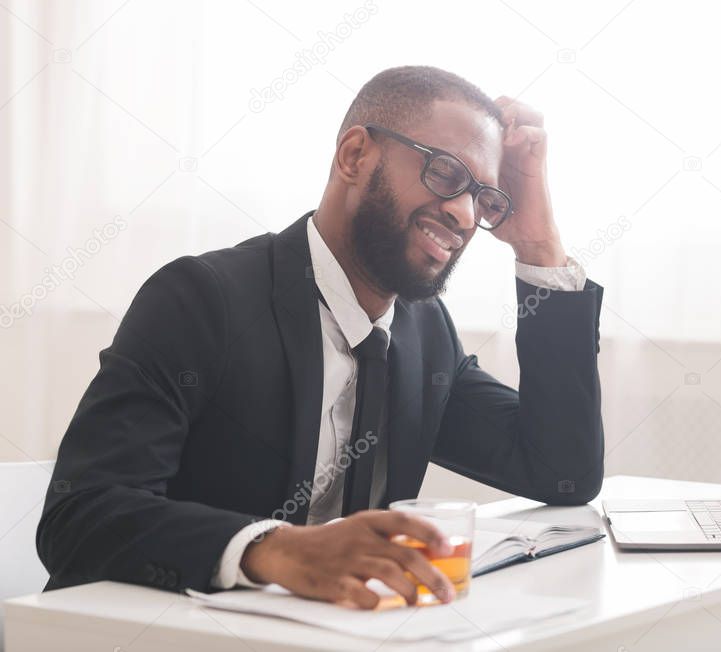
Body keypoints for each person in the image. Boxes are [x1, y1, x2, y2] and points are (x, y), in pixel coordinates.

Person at [37, 66, 604, 609]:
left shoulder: (425, 335)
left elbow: (561, 470)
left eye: (483, 199)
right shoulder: (202, 299)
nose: (462, 213)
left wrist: (538, 246)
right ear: (354, 155)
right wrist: (276, 549)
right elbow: (80, 516)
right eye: (446, 174)